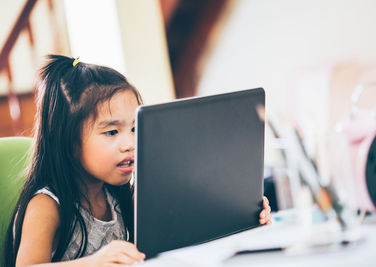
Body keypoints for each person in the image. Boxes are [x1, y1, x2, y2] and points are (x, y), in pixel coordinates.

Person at [4, 55, 272, 267]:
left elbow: (178, 235)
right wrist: (94, 263)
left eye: (134, 128)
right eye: (111, 132)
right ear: (68, 142)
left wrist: (241, 218)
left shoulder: (122, 196)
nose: (130, 143)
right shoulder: (48, 204)